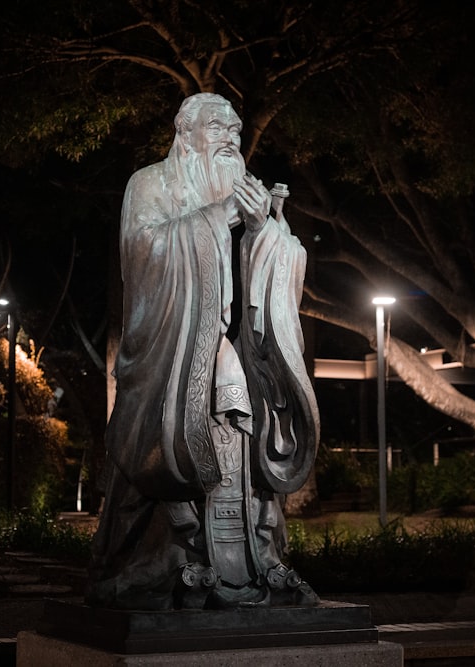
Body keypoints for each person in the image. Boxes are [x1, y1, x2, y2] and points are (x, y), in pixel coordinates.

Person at [85, 93, 320, 611]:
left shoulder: (245, 189)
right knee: (161, 449)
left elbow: (284, 258)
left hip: (240, 355)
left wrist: (264, 230)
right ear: (185, 131)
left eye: (236, 129)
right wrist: (218, 216)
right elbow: (144, 253)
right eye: (218, 127)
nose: (231, 138)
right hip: (171, 357)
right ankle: (164, 563)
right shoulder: (150, 183)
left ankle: (253, 563)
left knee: (246, 437)